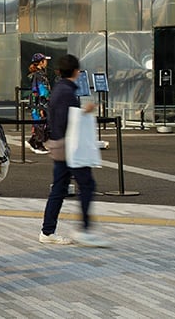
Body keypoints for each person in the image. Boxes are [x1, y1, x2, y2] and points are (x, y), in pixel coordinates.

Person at [39, 53, 108, 247]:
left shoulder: (59, 89)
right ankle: (83, 230)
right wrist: (84, 112)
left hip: (60, 146)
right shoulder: (67, 93)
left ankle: (48, 230)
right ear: (76, 71)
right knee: (86, 185)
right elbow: (66, 121)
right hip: (70, 147)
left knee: (60, 188)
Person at [25, 54, 51, 154]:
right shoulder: (39, 75)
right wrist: (42, 105)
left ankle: (33, 141)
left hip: (39, 102)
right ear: (41, 62)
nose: (46, 62)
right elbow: (42, 91)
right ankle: (38, 144)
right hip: (40, 103)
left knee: (40, 123)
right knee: (41, 123)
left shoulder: (39, 74)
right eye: (45, 60)